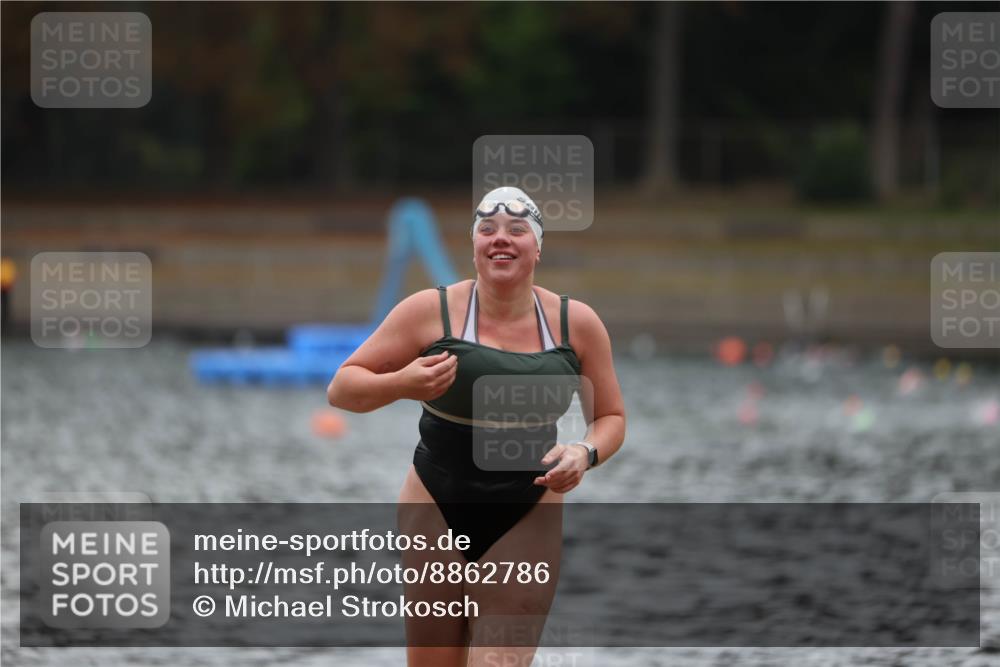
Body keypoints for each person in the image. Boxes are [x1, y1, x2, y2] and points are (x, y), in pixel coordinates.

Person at [327, 186, 626, 666]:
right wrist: (402, 383)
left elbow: (611, 418)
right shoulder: (430, 310)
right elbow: (342, 388)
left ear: (538, 246)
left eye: (516, 230)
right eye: (487, 230)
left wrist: (584, 453)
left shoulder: (576, 324)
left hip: (527, 509)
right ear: (473, 246)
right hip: (435, 505)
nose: (500, 239)